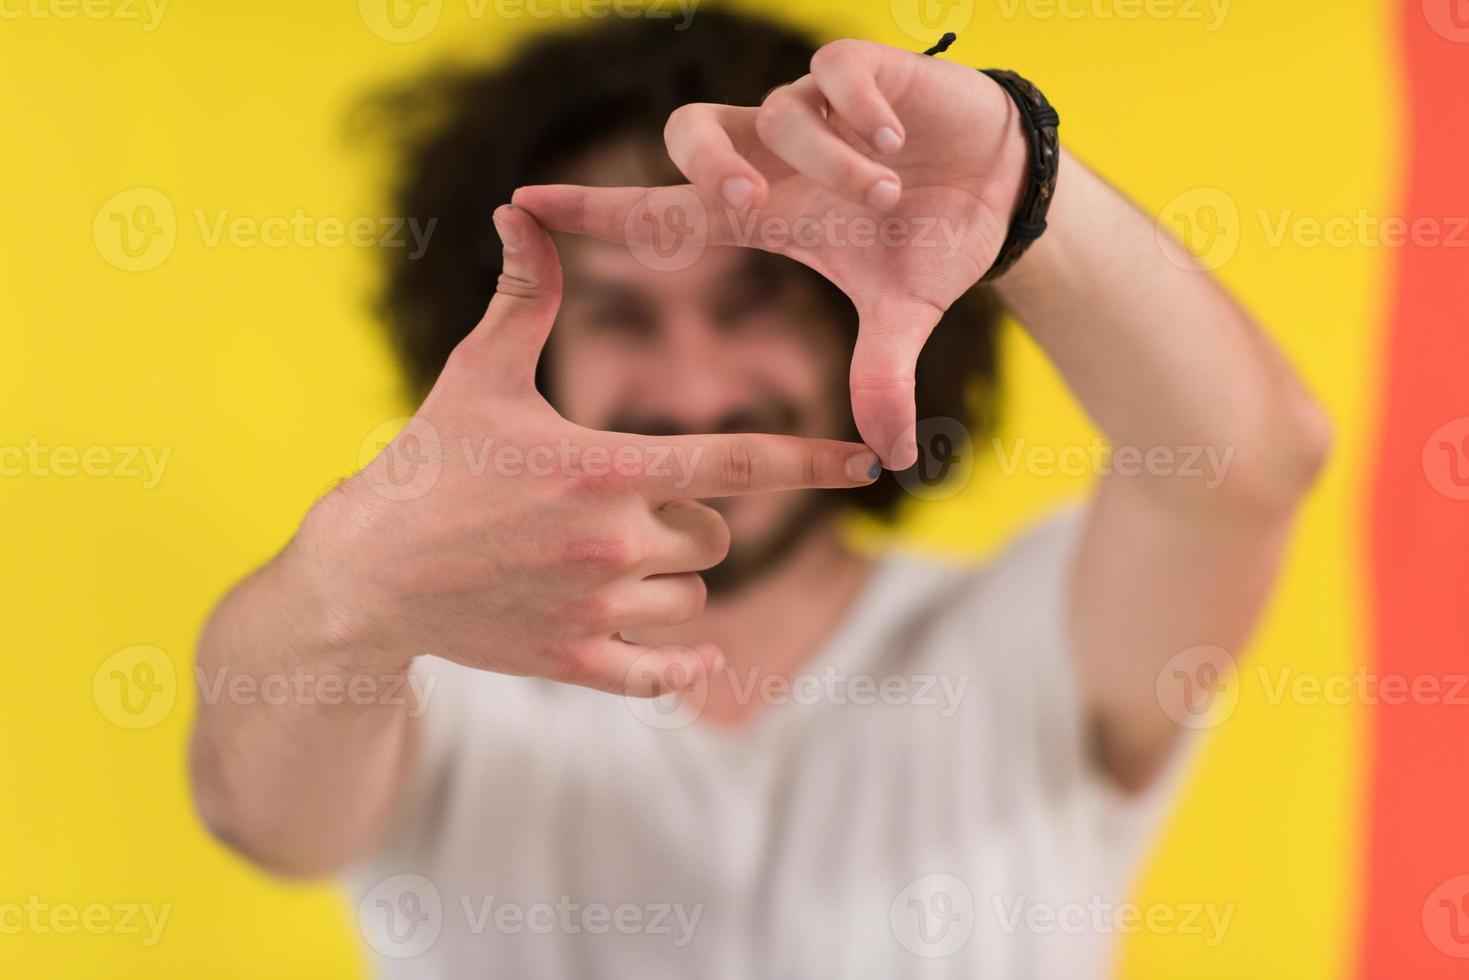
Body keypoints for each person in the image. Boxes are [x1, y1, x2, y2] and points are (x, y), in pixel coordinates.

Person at [188, 11, 1330, 977]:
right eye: (621, 317)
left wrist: (1017, 184)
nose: (696, 388)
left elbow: (1248, 469)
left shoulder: (1020, 640)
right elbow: (256, 812)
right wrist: (350, 584)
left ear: (860, 316)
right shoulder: (432, 671)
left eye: (753, 304)